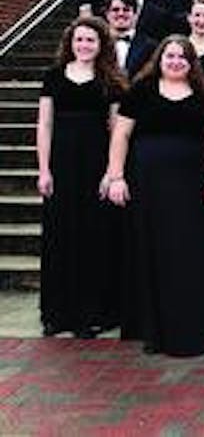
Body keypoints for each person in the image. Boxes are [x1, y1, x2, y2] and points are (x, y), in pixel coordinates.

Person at [106, 36, 204, 356]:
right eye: (170, 56)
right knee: (153, 251)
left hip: (192, 186)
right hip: (148, 184)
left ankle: (195, 323)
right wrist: (116, 175)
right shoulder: (141, 90)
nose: (176, 61)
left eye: (183, 57)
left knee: (192, 251)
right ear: (159, 59)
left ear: (192, 62)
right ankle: (155, 328)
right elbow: (121, 133)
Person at [37, 17, 127, 338]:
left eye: (91, 40)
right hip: (60, 166)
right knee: (60, 236)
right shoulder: (53, 77)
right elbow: (44, 125)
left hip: (96, 165)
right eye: (79, 40)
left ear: (101, 44)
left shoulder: (111, 80)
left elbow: (117, 130)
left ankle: (91, 314)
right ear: (70, 43)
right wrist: (44, 169)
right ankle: (56, 314)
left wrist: (111, 172)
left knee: (94, 239)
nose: (84, 45)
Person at [104, 0, 157, 78]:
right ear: (107, 14)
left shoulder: (150, 46)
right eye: (115, 10)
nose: (121, 14)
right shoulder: (98, 42)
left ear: (135, 15)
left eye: (126, 10)